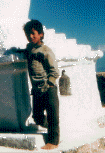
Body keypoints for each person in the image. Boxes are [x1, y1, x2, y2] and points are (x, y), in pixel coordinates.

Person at [23, 20, 60, 150]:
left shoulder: (46, 51)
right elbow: (27, 51)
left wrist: (49, 84)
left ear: (41, 35)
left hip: (48, 88)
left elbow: (55, 71)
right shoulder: (29, 48)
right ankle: (50, 126)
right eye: (28, 34)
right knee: (37, 117)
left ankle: (53, 141)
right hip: (36, 89)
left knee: (52, 114)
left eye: (33, 34)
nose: (30, 36)